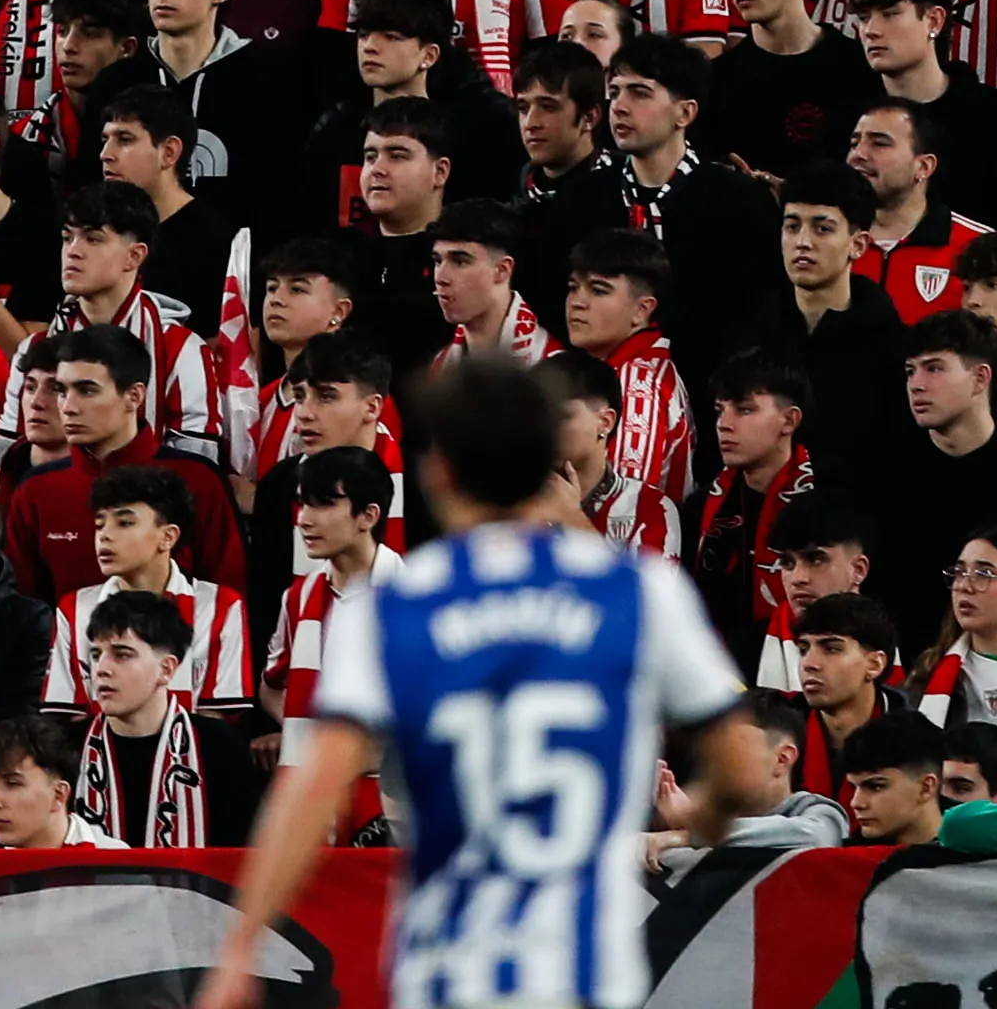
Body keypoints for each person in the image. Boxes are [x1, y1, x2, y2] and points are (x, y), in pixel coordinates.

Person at [196, 359, 741, 1009]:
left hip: (449, 974)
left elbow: (312, 787)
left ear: (438, 472)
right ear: (550, 460)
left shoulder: (393, 607)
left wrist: (239, 946)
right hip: (587, 971)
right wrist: (701, 819)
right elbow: (739, 763)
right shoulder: (640, 591)